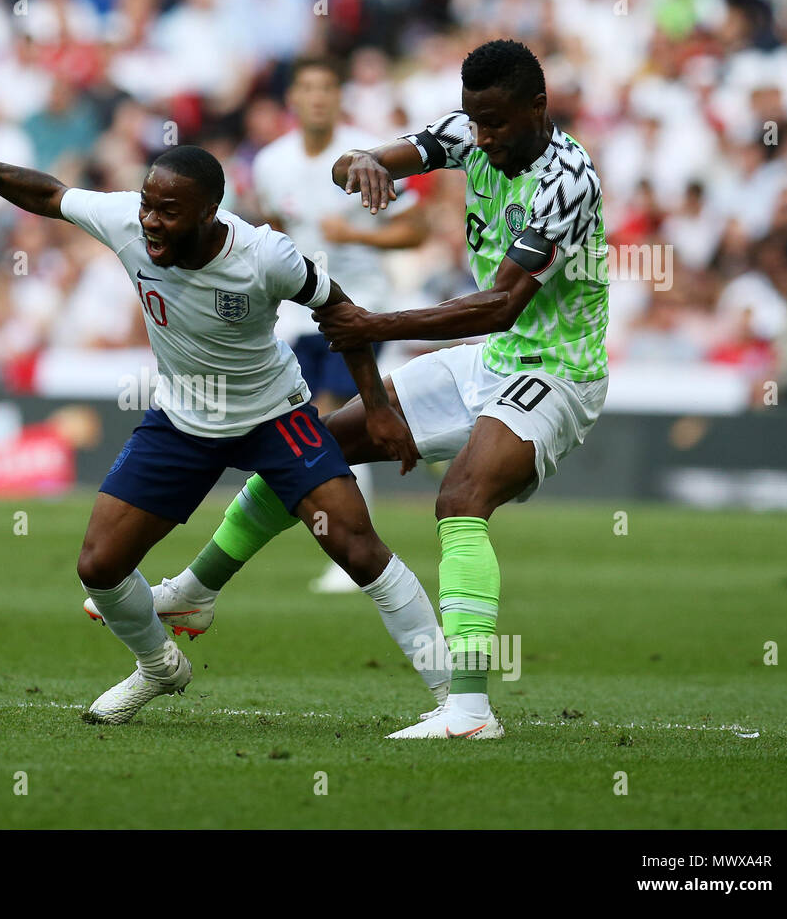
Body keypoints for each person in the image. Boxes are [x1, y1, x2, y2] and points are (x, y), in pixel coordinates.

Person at [0, 110, 450, 725]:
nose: (151, 222)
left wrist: (375, 408)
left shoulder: (265, 255)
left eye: (168, 212)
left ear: (211, 211)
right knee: (99, 567)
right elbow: (47, 193)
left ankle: (456, 701)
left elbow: (342, 313)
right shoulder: (127, 221)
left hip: (274, 415)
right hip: (183, 420)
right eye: (148, 206)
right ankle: (158, 665)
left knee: (357, 546)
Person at [137, 39, 610, 740]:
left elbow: (501, 303)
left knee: (461, 496)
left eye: (497, 125)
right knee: (314, 450)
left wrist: (373, 323)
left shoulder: (569, 180)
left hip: (558, 371)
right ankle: (197, 591)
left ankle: (471, 711)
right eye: (475, 123)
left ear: (538, 108)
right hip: (492, 359)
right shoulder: (466, 133)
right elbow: (357, 161)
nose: (482, 139)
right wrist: (359, 162)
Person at [252, 55, 427, 593]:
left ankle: (356, 555)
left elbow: (415, 230)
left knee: (334, 422)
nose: (318, 97)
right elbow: (272, 232)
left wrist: (358, 238)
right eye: (307, 88)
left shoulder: (367, 155)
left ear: (338, 96)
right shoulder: (270, 162)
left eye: (327, 87)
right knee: (310, 427)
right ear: (294, 99)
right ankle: (349, 549)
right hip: (298, 316)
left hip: (356, 308)